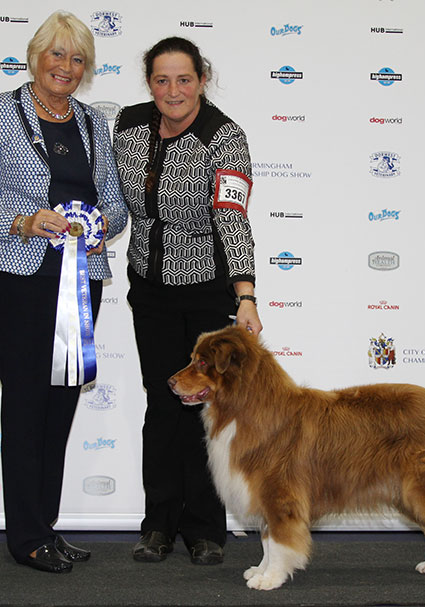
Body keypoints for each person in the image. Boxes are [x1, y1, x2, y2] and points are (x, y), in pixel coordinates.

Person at [113, 36, 262, 565]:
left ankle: (205, 530)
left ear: (202, 79)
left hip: (205, 292)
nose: (172, 90)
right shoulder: (127, 126)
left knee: (206, 410)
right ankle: (157, 525)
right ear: (148, 82)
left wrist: (244, 294)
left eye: (183, 79)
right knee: (162, 404)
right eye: (161, 79)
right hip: (148, 290)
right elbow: (115, 204)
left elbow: (232, 216)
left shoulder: (225, 137)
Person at [0, 11, 128, 573]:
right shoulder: (4, 113)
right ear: (35, 57)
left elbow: (115, 201)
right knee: (26, 409)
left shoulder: (92, 124)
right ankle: (24, 536)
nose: (67, 68)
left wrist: (96, 225)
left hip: (80, 282)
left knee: (59, 409)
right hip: (23, 282)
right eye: (57, 55)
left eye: (78, 59)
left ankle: (45, 527)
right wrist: (24, 221)